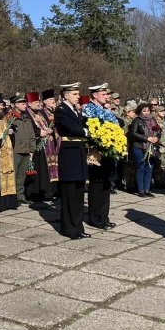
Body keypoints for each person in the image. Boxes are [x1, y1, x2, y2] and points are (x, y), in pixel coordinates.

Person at [53, 83, 89, 239]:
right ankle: (69, 228)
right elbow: (70, 127)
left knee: (79, 193)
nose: (77, 96)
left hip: (78, 153)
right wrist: (87, 131)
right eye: (74, 94)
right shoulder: (61, 110)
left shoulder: (75, 110)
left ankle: (78, 226)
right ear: (66, 95)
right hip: (69, 154)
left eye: (77, 94)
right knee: (69, 193)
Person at [85, 83, 117, 229]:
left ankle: (104, 216)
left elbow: (117, 124)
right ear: (95, 95)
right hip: (96, 153)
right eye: (103, 94)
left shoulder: (106, 110)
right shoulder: (88, 109)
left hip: (109, 151)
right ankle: (96, 218)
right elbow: (91, 130)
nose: (107, 97)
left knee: (106, 185)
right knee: (97, 185)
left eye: (107, 94)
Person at [23, 90, 55, 203]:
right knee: (36, 170)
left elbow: (45, 124)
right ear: (29, 103)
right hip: (34, 145)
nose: (38, 103)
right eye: (35, 101)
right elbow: (28, 129)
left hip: (45, 145)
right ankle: (34, 194)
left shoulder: (40, 113)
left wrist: (48, 130)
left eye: (38, 101)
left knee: (44, 170)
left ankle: (45, 192)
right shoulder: (26, 114)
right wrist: (39, 133)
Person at [0, 94, 18, 211]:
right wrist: (0, 138)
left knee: (9, 175)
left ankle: (9, 203)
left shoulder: (4, 118)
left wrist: (12, 131)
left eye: (2, 105)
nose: (1, 107)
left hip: (7, 151)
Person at [10, 93, 36, 204]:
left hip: (26, 150)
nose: (24, 105)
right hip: (15, 150)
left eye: (25, 103)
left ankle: (20, 196)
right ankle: (12, 197)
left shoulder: (26, 118)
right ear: (15, 105)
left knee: (22, 175)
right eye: (22, 103)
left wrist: (32, 149)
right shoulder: (10, 118)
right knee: (14, 174)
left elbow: (31, 135)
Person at [129, 103, 158, 197]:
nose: (146, 113)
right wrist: (146, 138)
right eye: (144, 111)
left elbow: (158, 130)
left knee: (149, 168)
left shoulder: (153, 119)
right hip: (139, 147)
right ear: (140, 112)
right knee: (141, 167)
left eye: (148, 111)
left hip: (151, 147)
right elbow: (133, 133)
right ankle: (140, 190)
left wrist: (157, 138)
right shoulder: (136, 121)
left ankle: (147, 189)